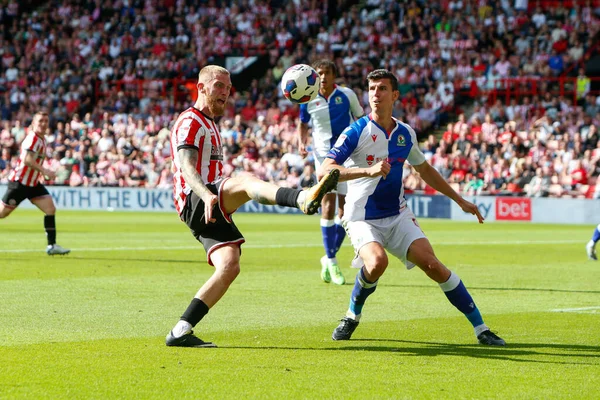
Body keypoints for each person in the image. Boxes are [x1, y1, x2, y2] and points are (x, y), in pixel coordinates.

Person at [319, 69, 506, 346]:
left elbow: (425, 170)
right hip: (361, 217)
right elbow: (326, 169)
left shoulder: (405, 133)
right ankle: (351, 315)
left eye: (382, 89)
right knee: (377, 262)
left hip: (397, 215)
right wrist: (367, 171)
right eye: (371, 89)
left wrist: (460, 200)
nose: (375, 95)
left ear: (395, 95)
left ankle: (481, 329)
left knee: (434, 266)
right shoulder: (356, 131)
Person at [165, 65, 339, 348]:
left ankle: (181, 329)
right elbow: (185, 165)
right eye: (219, 86)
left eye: (228, 88)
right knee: (245, 182)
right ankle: (301, 198)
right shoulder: (191, 121)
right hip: (197, 199)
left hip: (208, 202)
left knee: (229, 266)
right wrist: (206, 195)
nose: (226, 93)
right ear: (201, 88)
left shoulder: (210, 123)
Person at [297, 59, 364, 285]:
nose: (323, 77)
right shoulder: (308, 97)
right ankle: (333, 261)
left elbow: (361, 119)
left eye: (327, 73)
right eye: (319, 73)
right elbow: (302, 123)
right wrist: (301, 142)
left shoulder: (347, 95)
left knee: (345, 210)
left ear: (334, 76)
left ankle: (327, 257)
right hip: (323, 157)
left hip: (346, 155)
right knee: (327, 203)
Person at [0, 111, 70, 256]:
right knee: (2, 214)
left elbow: (33, 161)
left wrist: (39, 174)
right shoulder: (32, 138)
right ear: (33, 123)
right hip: (20, 183)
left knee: (50, 208)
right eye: (40, 121)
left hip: (32, 183)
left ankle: (52, 246)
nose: (43, 124)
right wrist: (44, 171)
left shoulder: (42, 139)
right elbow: (27, 160)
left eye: (46, 121)